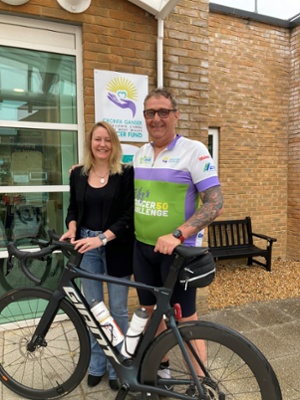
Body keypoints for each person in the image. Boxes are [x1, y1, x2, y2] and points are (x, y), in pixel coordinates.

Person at [133, 88, 223, 381]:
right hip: (143, 250)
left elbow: (215, 202)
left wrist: (177, 234)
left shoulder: (194, 150)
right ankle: (163, 370)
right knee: (151, 311)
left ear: (175, 116)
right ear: (144, 116)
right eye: (150, 113)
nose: (156, 119)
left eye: (163, 112)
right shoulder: (141, 154)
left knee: (186, 319)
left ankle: (203, 381)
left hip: (177, 254)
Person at [60, 121, 134, 391]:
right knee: (93, 309)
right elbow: (72, 210)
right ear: (90, 143)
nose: (102, 144)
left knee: (117, 310)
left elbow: (128, 216)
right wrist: (71, 229)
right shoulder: (78, 174)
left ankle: (118, 365)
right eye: (97, 139)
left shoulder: (126, 173)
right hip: (85, 247)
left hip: (115, 246)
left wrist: (101, 238)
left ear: (114, 144)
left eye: (107, 140)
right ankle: (97, 364)